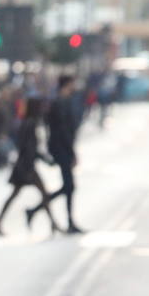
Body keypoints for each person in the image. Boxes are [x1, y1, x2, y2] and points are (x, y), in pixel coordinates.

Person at [0, 97, 60, 236]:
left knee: (18, 195)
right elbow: (30, 149)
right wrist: (43, 161)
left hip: (24, 165)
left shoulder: (26, 123)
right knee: (42, 194)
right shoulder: (30, 124)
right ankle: (53, 223)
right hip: (26, 167)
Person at [29, 76, 84, 232]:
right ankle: (67, 221)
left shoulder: (59, 102)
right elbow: (63, 130)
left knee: (68, 187)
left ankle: (36, 210)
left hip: (61, 148)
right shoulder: (61, 103)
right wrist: (71, 152)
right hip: (62, 149)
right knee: (69, 186)